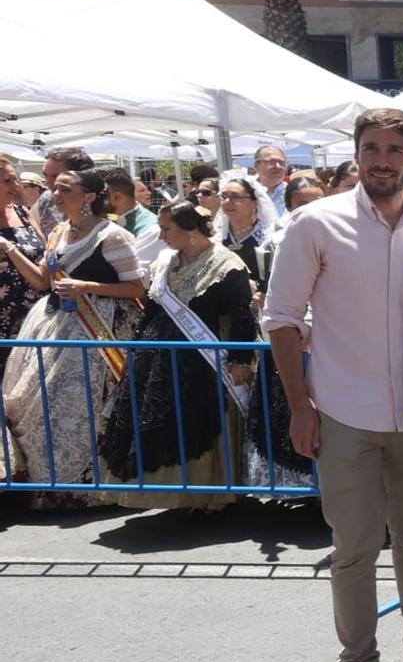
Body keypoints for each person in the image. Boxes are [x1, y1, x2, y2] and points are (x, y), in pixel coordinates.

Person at [265, 106, 403, 662]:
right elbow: (281, 319)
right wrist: (301, 408)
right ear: (357, 155)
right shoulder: (313, 224)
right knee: (353, 547)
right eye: (371, 148)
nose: (382, 160)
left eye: (394, 150)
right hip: (345, 413)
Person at [99, 201, 258, 513]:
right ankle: (172, 495)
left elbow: (241, 316)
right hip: (158, 358)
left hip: (205, 360)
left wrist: (240, 359)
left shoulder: (226, 265)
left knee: (200, 420)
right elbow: (153, 306)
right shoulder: (166, 261)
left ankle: (210, 496)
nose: (161, 236)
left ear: (191, 230)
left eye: (166, 229)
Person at [0, 165, 146, 493]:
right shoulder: (58, 232)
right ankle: (47, 484)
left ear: (90, 197)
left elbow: (137, 288)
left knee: (77, 406)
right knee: (28, 401)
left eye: (65, 189)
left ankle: (86, 485)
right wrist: (11, 251)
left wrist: (87, 286)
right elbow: (42, 281)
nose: (56, 194)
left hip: (100, 327)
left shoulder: (112, 235)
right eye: (56, 188)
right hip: (53, 323)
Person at [0, 157, 48, 375]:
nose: (16, 187)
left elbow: (45, 250)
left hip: (33, 315)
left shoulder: (23, 213)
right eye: (7, 181)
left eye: (15, 180)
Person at [215, 176, 273, 293]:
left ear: (254, 203)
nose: (227, 202)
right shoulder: (218, 236)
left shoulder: (267, 237)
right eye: (224, 196)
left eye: (235, 197)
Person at [102, 169, 162, 268]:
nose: (89, 200)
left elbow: (137, 274)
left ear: (117, 197)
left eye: (98, 196)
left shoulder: (151, 230)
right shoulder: (109, 218)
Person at [32, 147, 95, 234]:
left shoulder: (104, 206)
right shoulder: (47, 199)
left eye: (56, 176)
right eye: (45, 175)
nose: (47, 182)